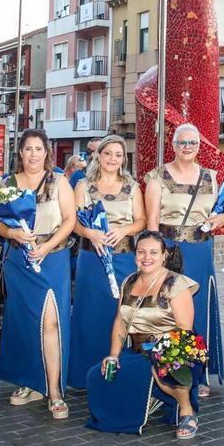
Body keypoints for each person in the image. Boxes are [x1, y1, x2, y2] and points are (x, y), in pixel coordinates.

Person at [87, 230, 201, 437]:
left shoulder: (176, 284)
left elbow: (185, 331)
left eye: (153, 252)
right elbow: (120, 322)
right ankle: (144, 400)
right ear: (135, 254)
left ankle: (186, 410)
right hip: (138, 351)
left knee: (158, 373)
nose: (147, 257)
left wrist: (159, 352)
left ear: (164, 255)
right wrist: (113, 354)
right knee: (97, 375)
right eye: (141, 252)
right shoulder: (129, 282)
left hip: (173, 349)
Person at [0, 128, 76, 418]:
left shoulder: (59, 181)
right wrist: (13, 234)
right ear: (20, 152)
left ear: (46, 153)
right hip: (20, 261)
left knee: (52, 322)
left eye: (38, 149)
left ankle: (54, 390)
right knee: (25, 321)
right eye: (28, 149)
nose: (33, 154)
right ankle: (31, 383)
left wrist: (47, 247)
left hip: (52, 259)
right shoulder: (9, 183)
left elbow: (70, 220)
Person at [144, 123, 224, 396]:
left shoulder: (211, 177)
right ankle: (169, 370)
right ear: (173, 145)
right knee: (171, 312)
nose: (187, 147)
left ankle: (199, 373)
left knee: (198, 310)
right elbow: (152, 221)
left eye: (192, 143)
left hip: (201, 252)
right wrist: (155, 258)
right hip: (170, 251)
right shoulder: (157, 177)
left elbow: (221, 211)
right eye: (182, 143)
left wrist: (220, 218)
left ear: (199, 146)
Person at [67, 134, 145, 390]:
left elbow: (141, 221)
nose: (112, 158)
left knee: (121, 314)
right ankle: (83, 375)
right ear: (98, 155)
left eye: (118, 154)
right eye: (108, 153)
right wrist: (90, 233)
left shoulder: (132, 187)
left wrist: (124, 231)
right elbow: (74, 223)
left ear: (123, 159)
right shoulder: (83, 186)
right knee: (90, 314)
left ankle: (118, 370)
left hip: (123, 259)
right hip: (92, 260)